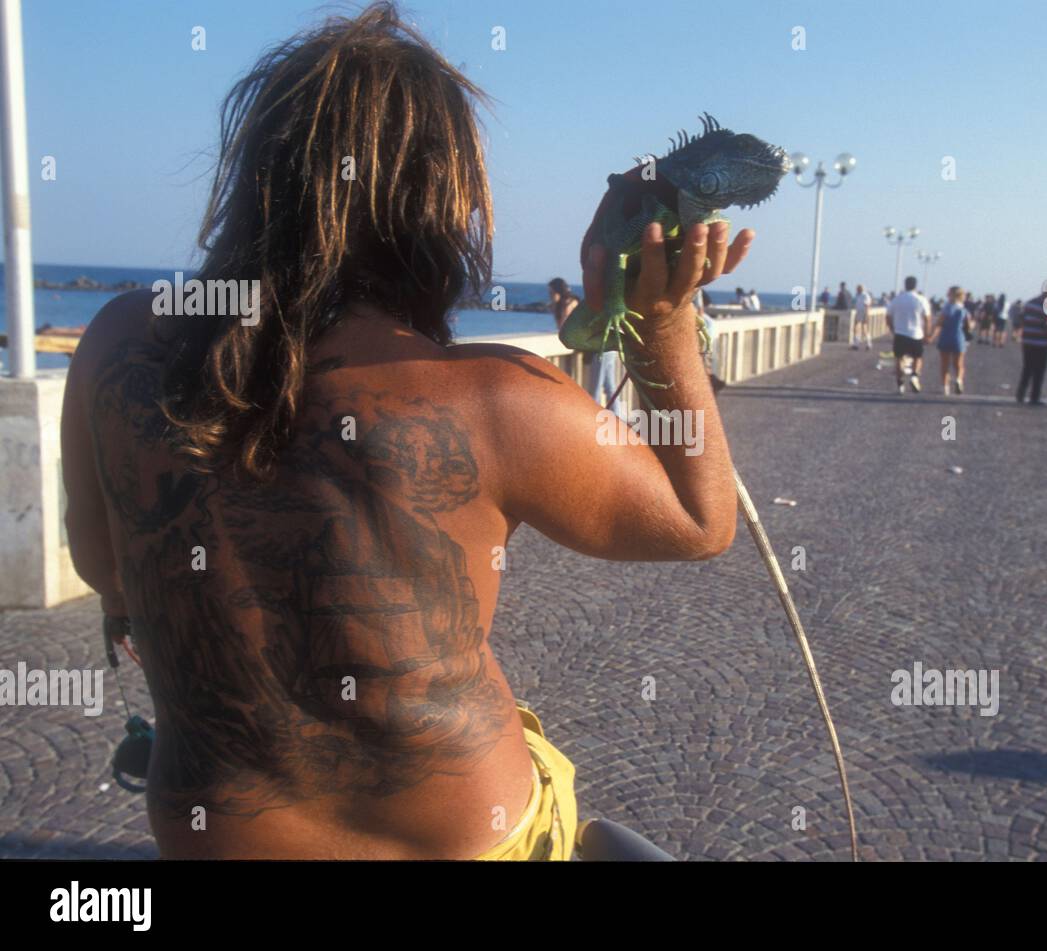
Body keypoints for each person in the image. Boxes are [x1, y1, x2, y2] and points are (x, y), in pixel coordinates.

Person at [59, 3, 753, 861]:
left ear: (255, 174)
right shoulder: (496, 399)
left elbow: (99, 563)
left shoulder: (119, 342)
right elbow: (699, 518)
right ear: (440, 200)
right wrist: (663, 322)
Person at [886, 275, 931, 394]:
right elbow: (927, 318)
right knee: (917, 357)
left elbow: (888, 316)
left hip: (900, 334)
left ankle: (900, 384)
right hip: (916, 334)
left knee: (899, 359)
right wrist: (927, 334)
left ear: (905, 285)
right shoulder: (921, 299)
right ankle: (914, 376)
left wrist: (892, 329)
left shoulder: (897, 299)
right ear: (915, 286)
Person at [1016, 285, 1047, 404]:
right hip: (1041, 343)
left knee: (1027, 368)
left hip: (1028, 340)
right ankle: (1034, 397)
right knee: (1039, 370)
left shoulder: (1029, 303)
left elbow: (1021, 318)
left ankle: (1021, 392)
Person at [930, 285, 972, 395]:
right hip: (958, 337)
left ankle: (945, 387)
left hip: (945, 337)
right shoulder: (963, 309)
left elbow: (939, 323)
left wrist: (931, 336)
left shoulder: (947, 308)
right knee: (959, 363)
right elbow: (969, 326)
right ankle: (958, 379)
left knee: (945, 364)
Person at [850, 284, 872, 350]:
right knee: (856, 328)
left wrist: (867, 315)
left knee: (864, 328)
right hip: (859, 312)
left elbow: (867, 305)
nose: (856, 290)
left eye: (857, 289)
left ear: (860, 289)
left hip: (863, 312)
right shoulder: (858, 295)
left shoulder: (865, 295)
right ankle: (857, 343)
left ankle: (868, 343)